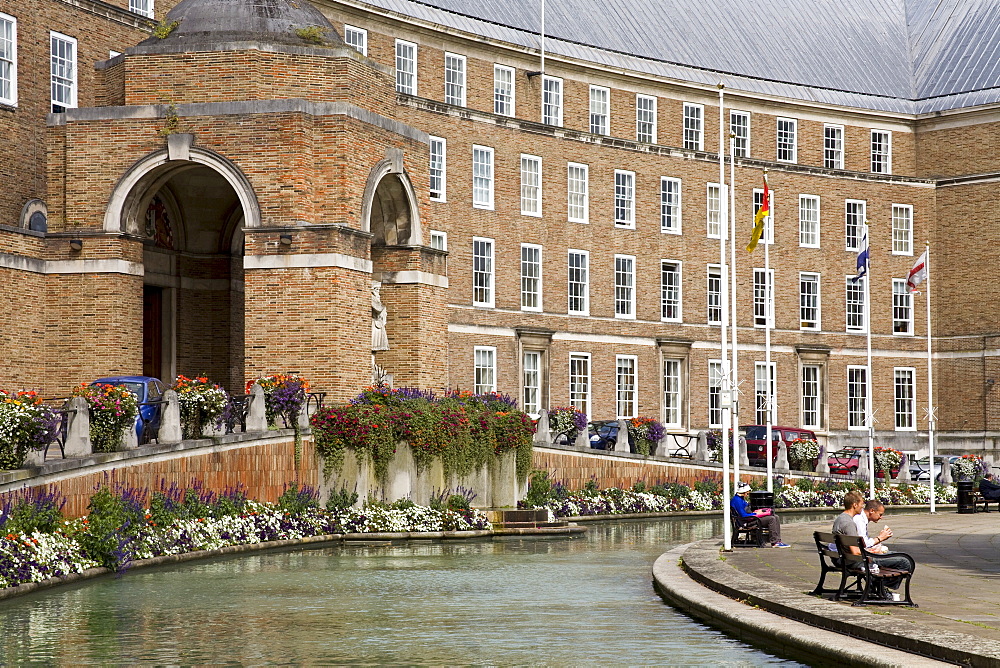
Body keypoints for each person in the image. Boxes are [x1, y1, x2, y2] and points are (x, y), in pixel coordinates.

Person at [834, 493, 905, 597]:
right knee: (905, 561)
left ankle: (877, 587)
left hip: (842, 557)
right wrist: (874, 548)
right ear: (855, 505)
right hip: (852, 561)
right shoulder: (849, 523)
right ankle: (878, 587)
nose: (863, 507)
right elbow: (855, 551)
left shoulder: (841, 518)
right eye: (861, 504)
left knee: (898, 557)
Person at [731, 481, 789, 548]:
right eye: (747, 492)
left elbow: (748, 511)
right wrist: (756, 514)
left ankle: (778, 541)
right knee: (771, 519)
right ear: (743, 492)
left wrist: (759, 511)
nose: (748, 494)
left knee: (776, 516)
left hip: (749, 519)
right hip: (746, 522)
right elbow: (744, 515)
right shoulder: (737, 501)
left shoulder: (740, 499)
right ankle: (774, 542)